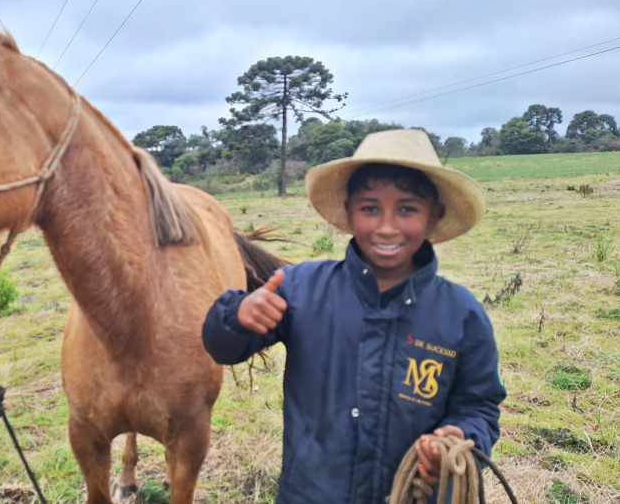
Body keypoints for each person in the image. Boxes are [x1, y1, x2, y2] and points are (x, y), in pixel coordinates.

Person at [203, 129, 506, 503]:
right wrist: (237, 316)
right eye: (370, 208)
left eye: (407, 209)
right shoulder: (300, 289)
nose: (387, 227)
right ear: (349, 213)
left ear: (433, 217)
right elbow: (223, 348)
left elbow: (478, 406)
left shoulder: (462, 314)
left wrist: (459, 438)